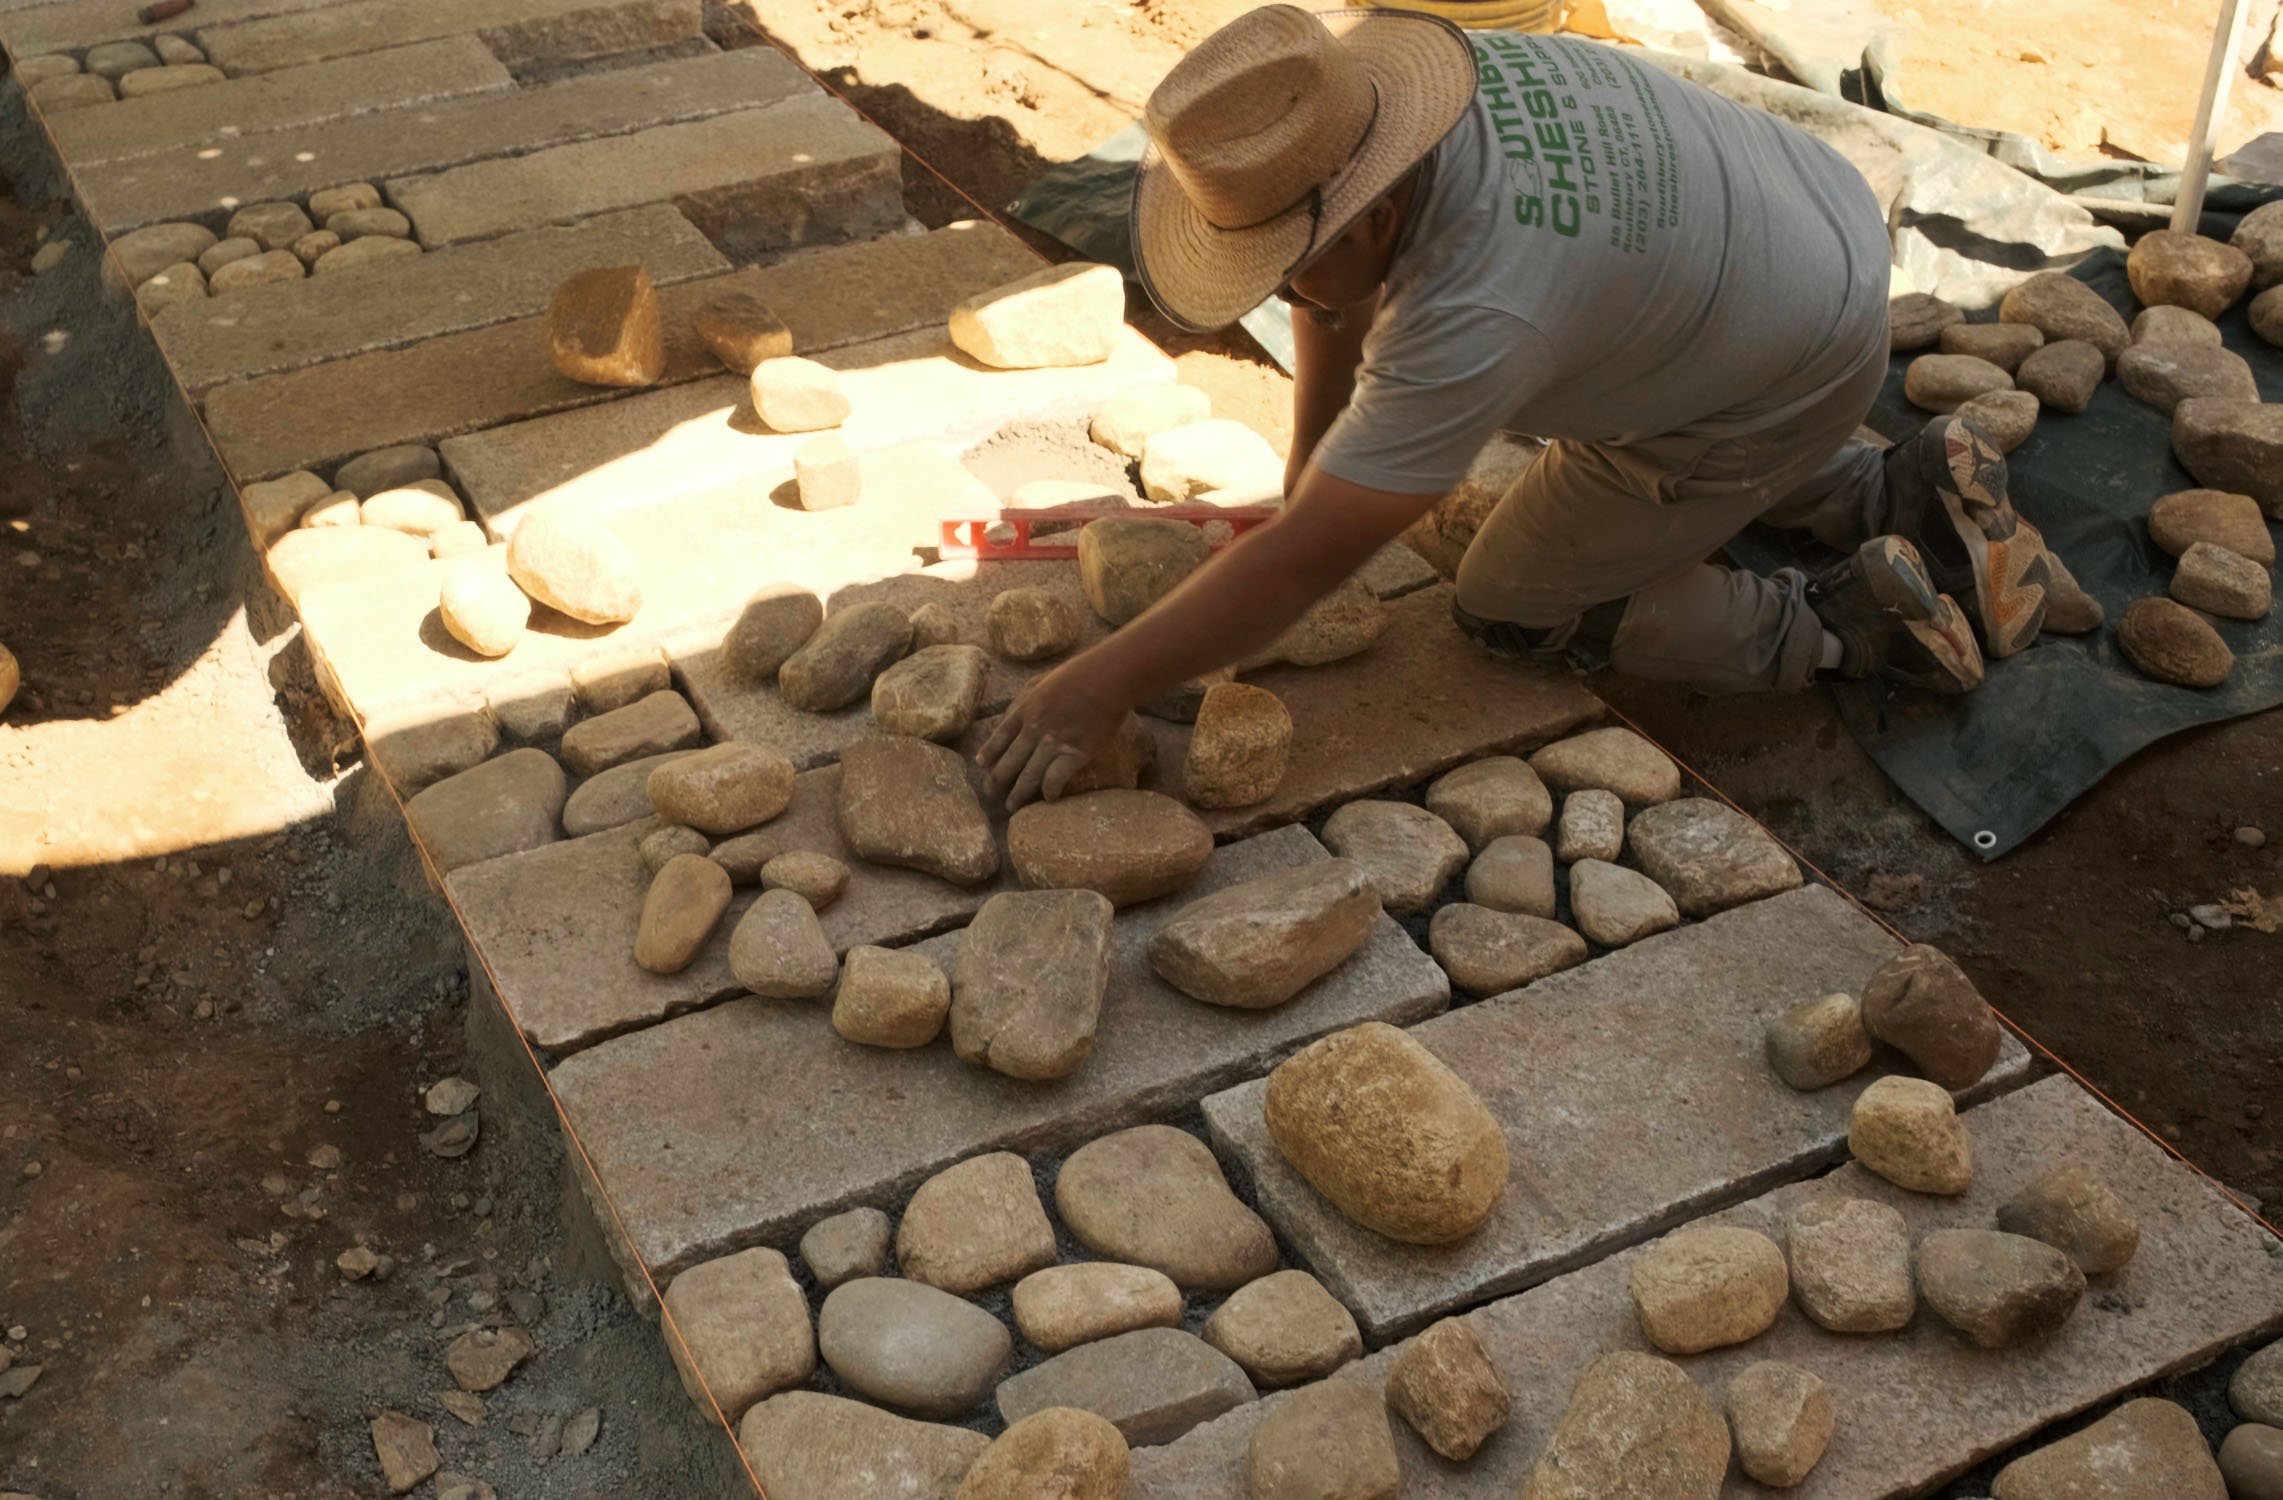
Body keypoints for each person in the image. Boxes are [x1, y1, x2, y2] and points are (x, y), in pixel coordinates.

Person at [980, 4, 2053, 810]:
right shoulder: (1409, 98)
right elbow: (1332, 300)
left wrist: (1095, 686)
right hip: (1804, 240)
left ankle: (1843, 623)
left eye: (1283, 266)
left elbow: (1313, 566)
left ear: (1371, 215)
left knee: (1510, 605)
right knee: (1584, 373)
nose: (1277, 292)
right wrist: (1306, 481)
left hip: (1783, 365)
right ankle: (1891, 483)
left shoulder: (1470, 314)